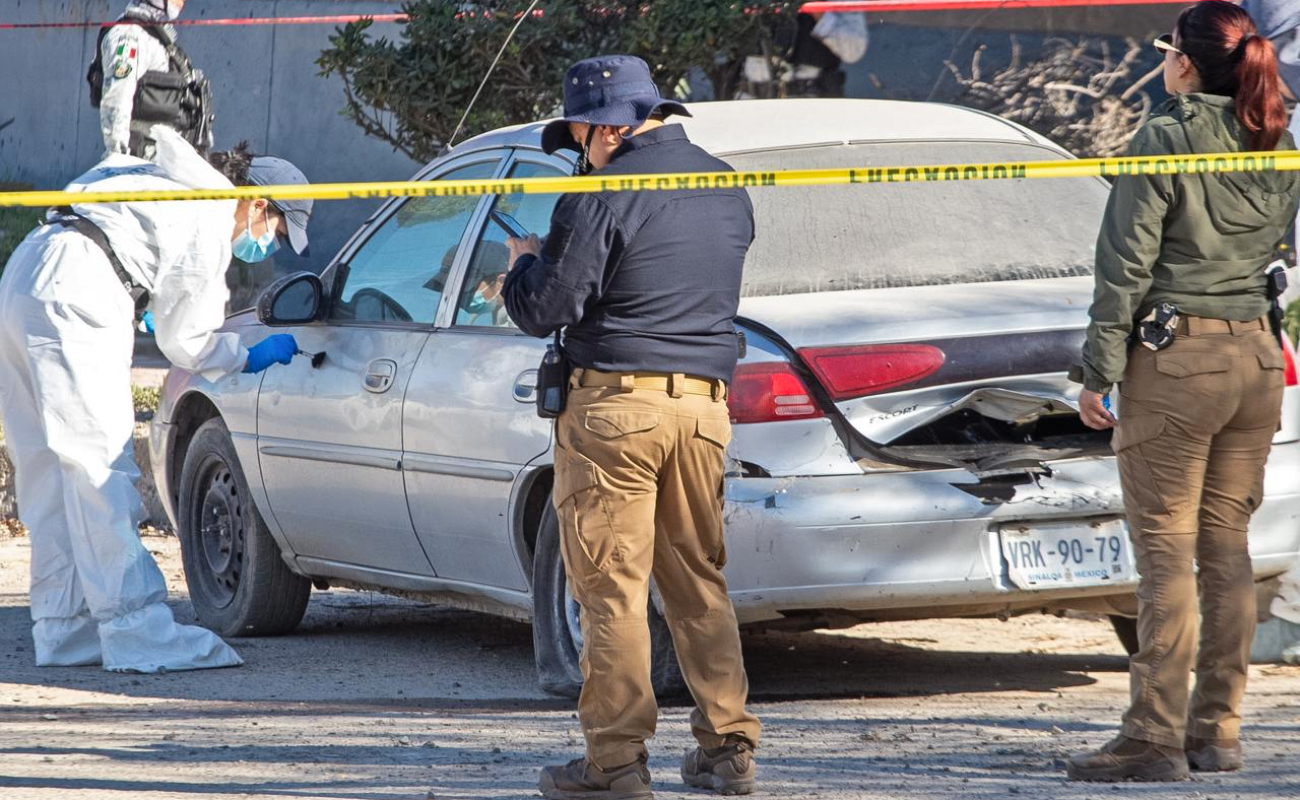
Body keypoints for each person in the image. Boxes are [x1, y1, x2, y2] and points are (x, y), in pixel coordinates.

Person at [502, 55, 762, 799]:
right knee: (698, 583)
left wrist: (522, 266)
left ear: (602, 128)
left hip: (615, 407)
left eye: (578, 132)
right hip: (704, 409)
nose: (578, 147)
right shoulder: (723, 185)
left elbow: (546, 308)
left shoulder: (598, 192)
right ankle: (728, 747)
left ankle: (614, 764)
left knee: (610, 591)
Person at [1069, 0, 1300, 782]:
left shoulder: (1166, 135)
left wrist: (1097, 369)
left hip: (1178, 363)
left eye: (1169, 50)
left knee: (1165, 555)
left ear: (1186, 63)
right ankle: (1218, 731)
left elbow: (1124, 266)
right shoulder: (1277, 134)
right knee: (1226, 551)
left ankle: (1153, 736)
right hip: (1257, 360)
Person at [0, 125, 311, 673]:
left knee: (47, 468)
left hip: (26, 274)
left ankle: (64, 627)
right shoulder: (213, 212)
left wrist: (145, 291)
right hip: (79, 293)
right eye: (277, 230)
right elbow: (186, 342)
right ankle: (134, 627)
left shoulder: (166, 173)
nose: (267, 247)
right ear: (257, 203)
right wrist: (244, 355)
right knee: (100, 469)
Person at [92, 0, 213, 158]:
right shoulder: (129, 35)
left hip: (166, 159)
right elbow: (118, 95)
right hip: (142, 162)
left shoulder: (158, 35)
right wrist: (117, 156)